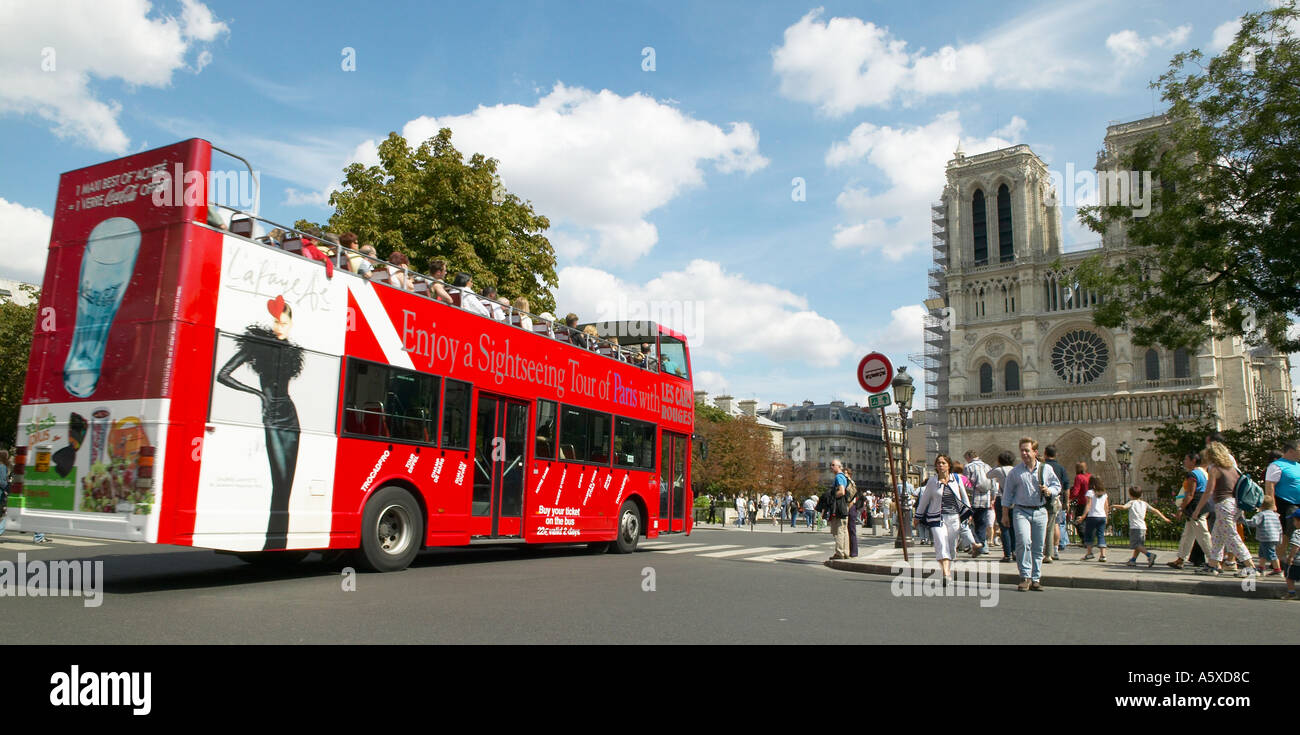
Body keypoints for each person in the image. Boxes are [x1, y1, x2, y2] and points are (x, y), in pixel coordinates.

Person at [216, 296, 304, 551]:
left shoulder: (291, 350)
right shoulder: (257, 346)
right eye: (277, 322)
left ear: (291, 325)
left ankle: (277, 544)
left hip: (291, 416)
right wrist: (257, 394)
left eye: (285, 323)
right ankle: (272, 543)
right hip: (273, 418)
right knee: (279, 482)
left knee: (286, 486)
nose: (280, 328)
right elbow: (223, 374)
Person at [1192, 441, 1259, 577]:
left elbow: (1208, 491)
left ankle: (1250, 566)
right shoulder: (1233, 468)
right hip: (1235, 505)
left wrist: (1197, 510)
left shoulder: (1214, 469)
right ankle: (1212, 565)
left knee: (1231, 536)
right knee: (1217, 536)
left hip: (1223, 505)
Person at [1002, 437, 1061, 591]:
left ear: (1035, 452)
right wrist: (1005, 514)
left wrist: (1049, 491)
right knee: (1023, 541)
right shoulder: (1015, 472)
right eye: (1022, 450)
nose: (1024, 453)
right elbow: (1007, 495)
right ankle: (1024, 576)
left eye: (1027, 450)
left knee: (1038, 546)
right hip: (1021, 510)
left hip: (1040, 511)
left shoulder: (1046, 469)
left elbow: (1057, 486)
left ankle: (1036, 578)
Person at [914, 454, 973, 584]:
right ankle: (946, 573)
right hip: (936, 518)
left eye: (943, 463)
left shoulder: (956, 479)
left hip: (953, 518)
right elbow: (924, 501)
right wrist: (917, 516)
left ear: (949, 465)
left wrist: (968, 514)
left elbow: (964, 498)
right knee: (941, 543)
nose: (940, 465)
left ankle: (947, 569)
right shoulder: (932, 482)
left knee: (951, 547)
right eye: (938, 463)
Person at [1166, 452, 1212, 570]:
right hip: (1202, 505)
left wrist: (1181, 509)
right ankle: (1181, 559)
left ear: (1193, 461)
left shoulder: (1192, 474)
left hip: (1195, 508)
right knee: (1188, 535)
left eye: (1186, 459)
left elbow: (1190, 494)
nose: (1184, 462)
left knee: (1203, 535)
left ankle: (1214, 560)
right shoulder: (1204, 473)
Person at [1111, 487, 1169, 567]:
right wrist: (1164, 518)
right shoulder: (1144, 503)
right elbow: (1155, 510)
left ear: (1130, 494)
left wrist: (1113, 505)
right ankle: (1133, 560)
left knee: (1135, 544)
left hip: (1135, 527)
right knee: (1139, 545)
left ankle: (1149, 555)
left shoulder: (1132, 502)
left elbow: (1124, 507)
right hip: (1143, 527)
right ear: (1141, 494)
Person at [1242, 496, 1283, 575]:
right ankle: (1261, 567)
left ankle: (1277, 570)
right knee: (1262, 553)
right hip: (1274, 537)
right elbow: (1280, 528)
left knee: (1271, 554)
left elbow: (1253, 523)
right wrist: (1280, 539)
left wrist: (1243, 520)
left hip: (1266, 537)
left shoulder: (1261, 515)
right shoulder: (1276, 515)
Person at [1043, 445, 1070, 561]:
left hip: (1042, 499)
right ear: (1056, 454)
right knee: (1056, 524)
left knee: (1043, 525)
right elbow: (1066, 487)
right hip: (1056, 500)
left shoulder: (1042, 467)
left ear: (1044, 454)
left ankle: (1044, 549)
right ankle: (1055, 549)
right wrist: (1067, 502)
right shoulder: (1061, 468)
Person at [1268, 439, 1300, 539]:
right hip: (1286, 504)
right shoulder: (1276, 465)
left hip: (1298, 504)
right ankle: (1279, 555)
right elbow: (1270, 485)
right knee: (1287, 533)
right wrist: (1271, 505)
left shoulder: (1298, 465)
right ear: (1291, 450)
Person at [989, 451, 1016, 562]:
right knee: (1013, 527)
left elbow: (988, 475)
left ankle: (1007, 554)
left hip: (1002, 499)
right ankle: (1015, 552)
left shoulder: (998, 470)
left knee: (1004, 527)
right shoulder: (1015, 469)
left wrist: (997, 465)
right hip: (1015, 501)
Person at [963, 450, 993, 551]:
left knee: (968, 523)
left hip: (973, 499)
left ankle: (977, 544)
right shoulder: (987, 466)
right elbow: (993, 484)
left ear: (968, 457)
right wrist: (992, 498)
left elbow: (966, 484)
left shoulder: (968, 467)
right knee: (982, 523)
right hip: (986, 500)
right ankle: (983, 547)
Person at [824, 460, 852, 559]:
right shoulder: (844, 477)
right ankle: (846, 552)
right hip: (844, 506)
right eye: (830, 465)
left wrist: (832, 497)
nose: (831, 467)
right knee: (844, 530)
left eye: (832, 465)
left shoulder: (839, 477)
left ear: (839, 466)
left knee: (839, 530)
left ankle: (839, 552)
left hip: (839, 507)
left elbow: (842, 491)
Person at [1077, 475, 1109, 562]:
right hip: (1102, 516)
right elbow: (1106, 506)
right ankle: (1103, 555)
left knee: (1089, 535)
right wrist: (1106, 517)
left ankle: (1089, 553)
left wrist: (1083, 516)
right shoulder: (1104, 494)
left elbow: (1088, 505)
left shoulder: (1090, 492)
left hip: (1092, 516)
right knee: (1101, 535)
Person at [1070, 461, 1092, 545]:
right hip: (1091, 503)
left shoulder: (1079, 477)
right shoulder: (1090, 476)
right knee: (1089, 522)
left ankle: (1085, 539)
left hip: (1082, 503)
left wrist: (1070, 498)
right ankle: (1090, 539)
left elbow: (1076, 491)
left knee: (1078, 521)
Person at [1280, 509, 1300, 601]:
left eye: (1294, 520)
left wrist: (1291, 557)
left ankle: (1291, 593)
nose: (1293, 523)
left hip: (1296, 561)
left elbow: (1296, 546)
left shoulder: (1297, 533)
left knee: (1289, 577)